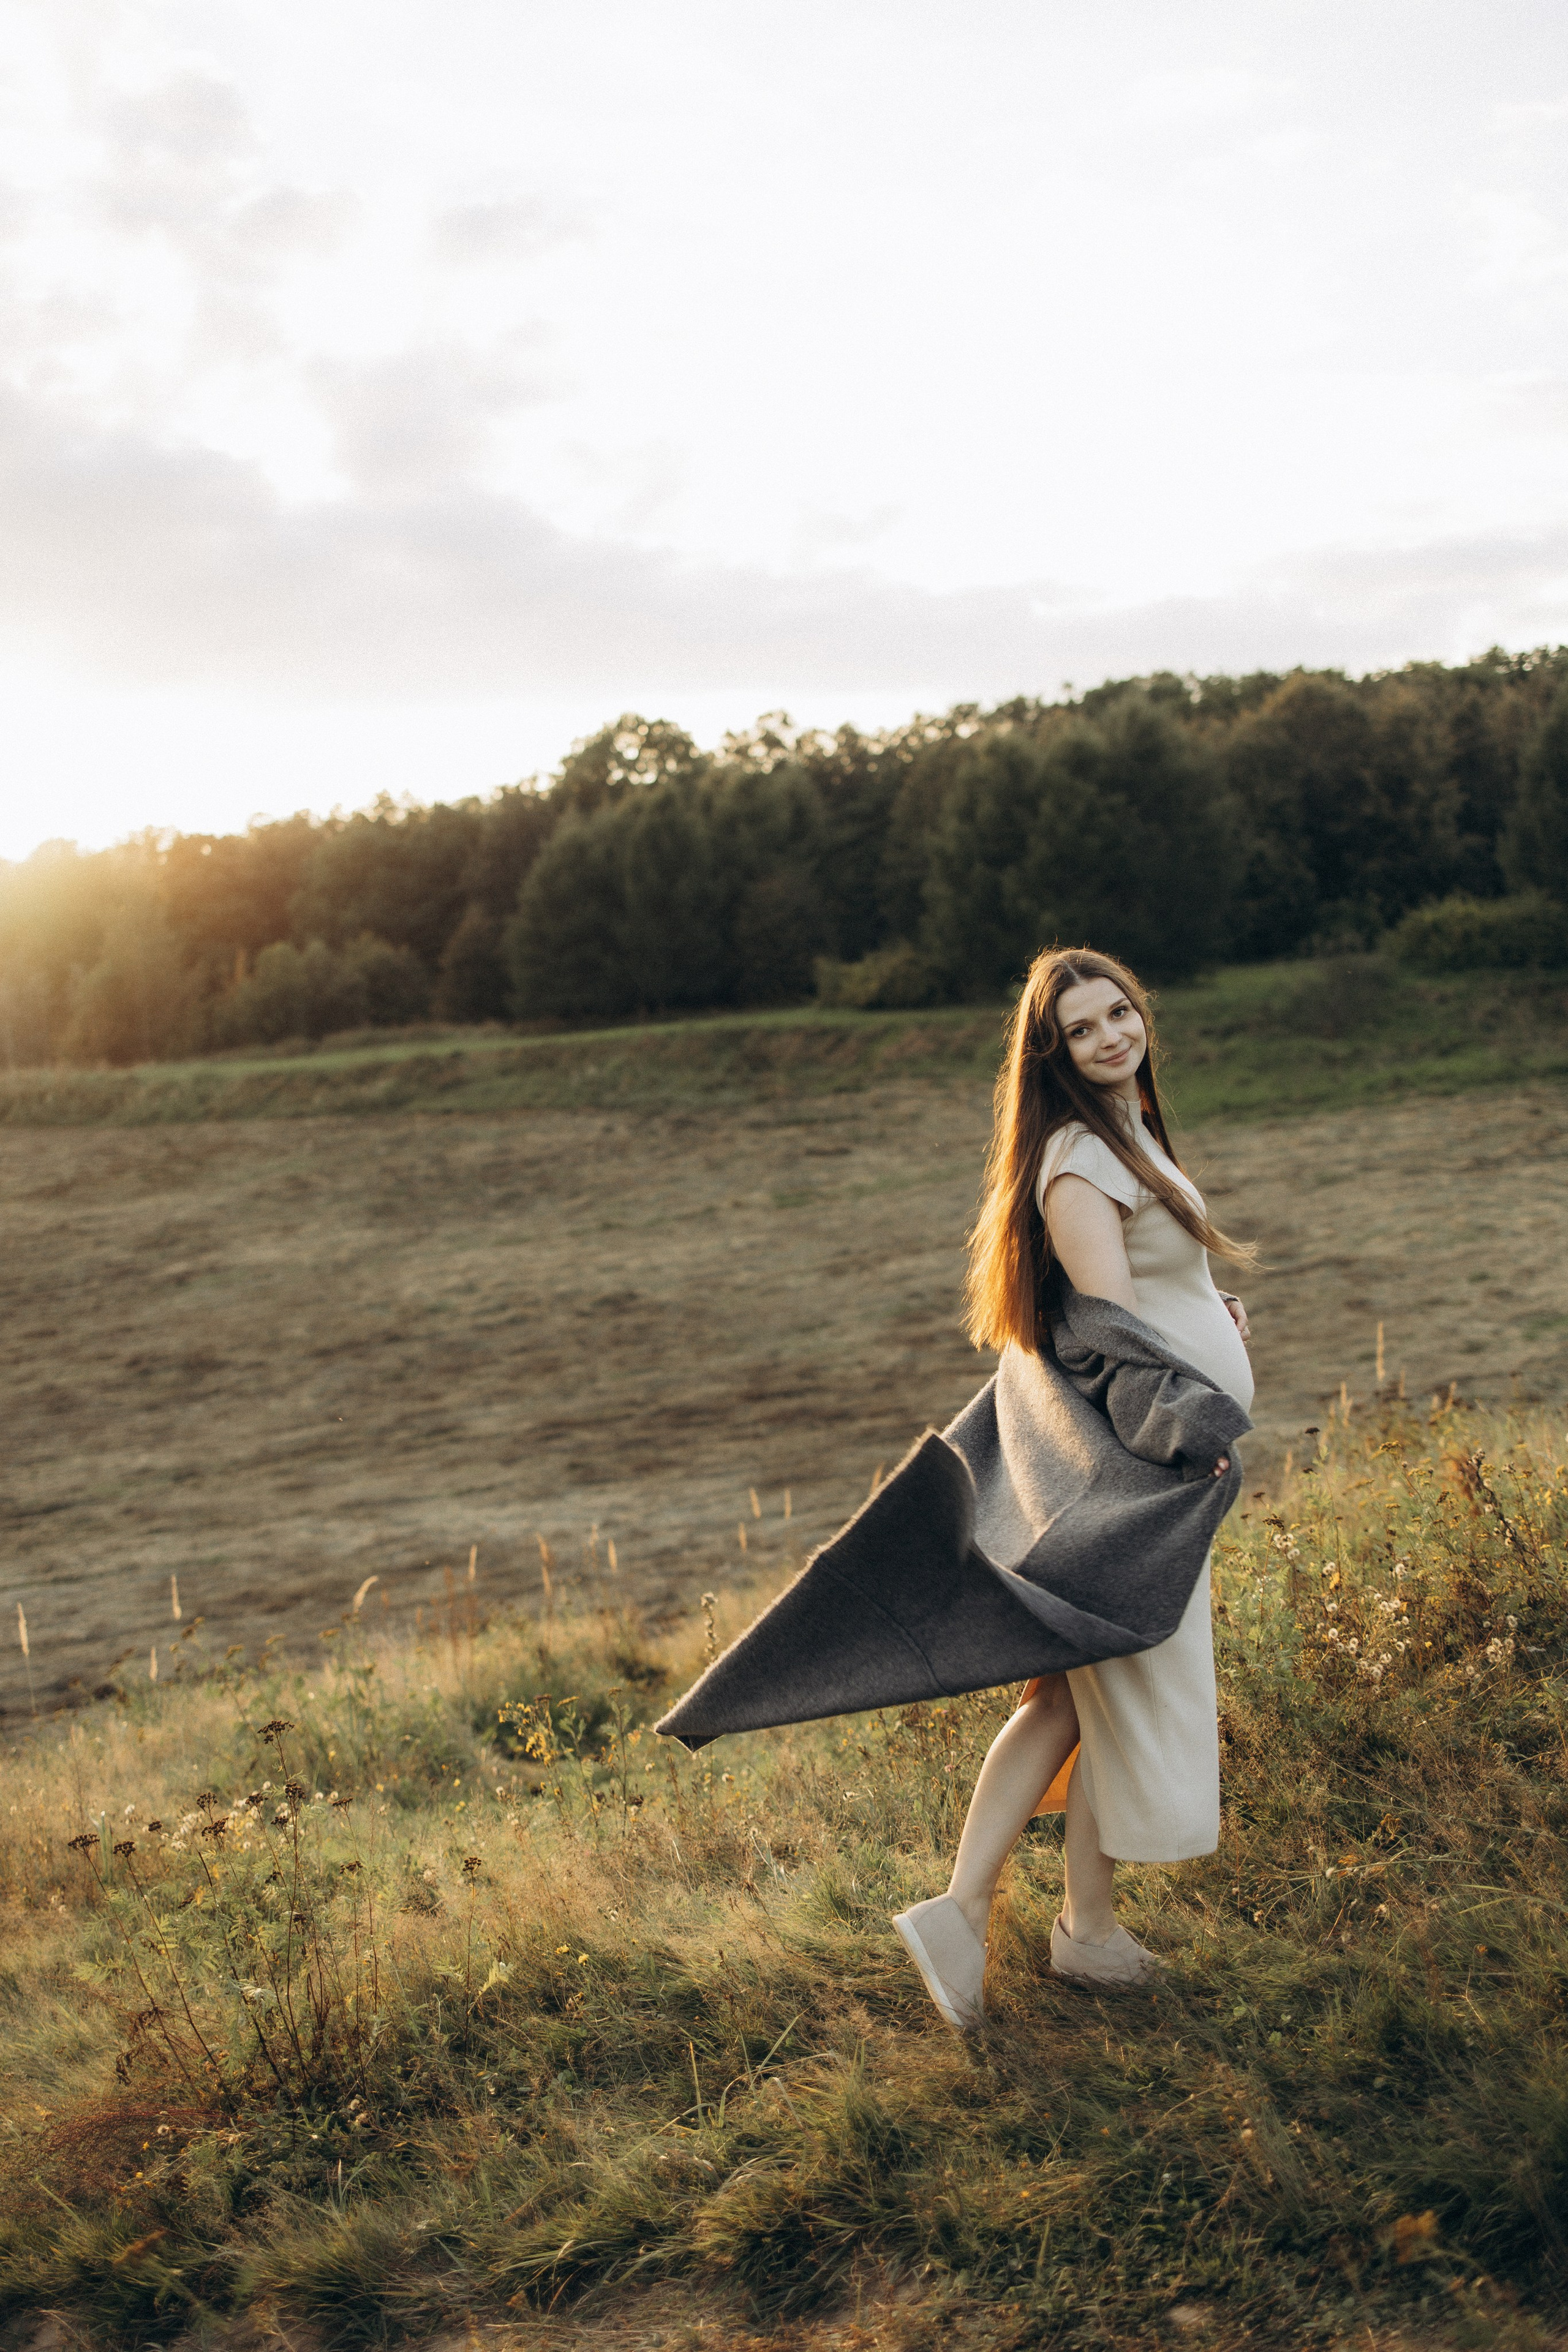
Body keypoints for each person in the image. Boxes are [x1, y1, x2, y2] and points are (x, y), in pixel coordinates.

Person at [891, 945, 1255, 2025]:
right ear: (1052, 1054)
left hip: (1160, 1469)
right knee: (1086, 1695)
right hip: (1143, 1473)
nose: (1111, 1036)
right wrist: (1189, 1434)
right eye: (1084, 1029)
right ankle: (967, 1911)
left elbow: (1149, 1291)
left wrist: (1216, 1317)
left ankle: (1081, 1934)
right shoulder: (1074, 1160)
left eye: (1120, 1013)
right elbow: (1109, 1336)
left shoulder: (1125, 1130)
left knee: (1083, 1698)